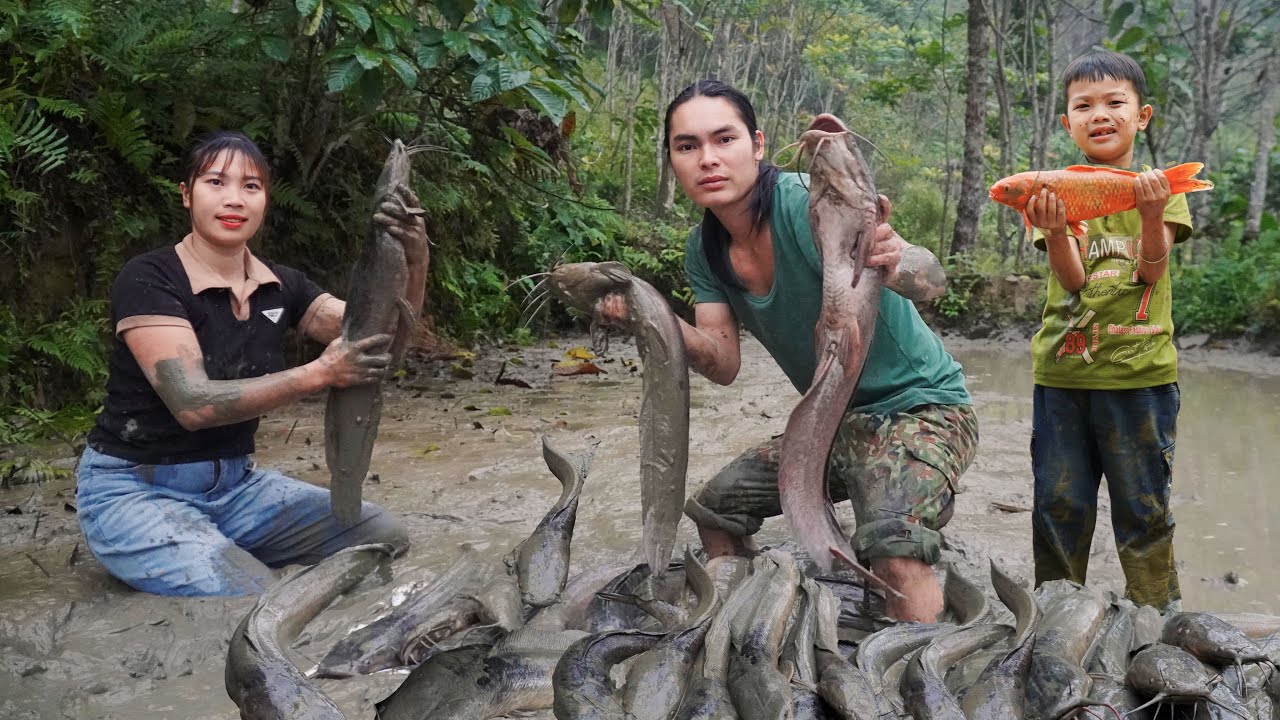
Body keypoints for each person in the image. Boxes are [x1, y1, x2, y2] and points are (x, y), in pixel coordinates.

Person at [600, 80, 976, 622]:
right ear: (672, 160)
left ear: (756, 145)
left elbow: (931, 279)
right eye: (687, 146)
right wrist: (649, 314)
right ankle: (764, 617)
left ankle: (919, 655)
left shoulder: (812, 201)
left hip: (924, 409)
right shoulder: (703, 250)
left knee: (892, 549)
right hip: (832, 421)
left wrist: (899, 258)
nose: (707, 158)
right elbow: (722, 363)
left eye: (723, 139)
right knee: (714, 511)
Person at [76, 131, 427, 597]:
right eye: (216, 182)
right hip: (138, 490)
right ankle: (153, 546)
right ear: (186, 194)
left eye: (251, 187)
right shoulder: (149, 278)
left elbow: (383, 338)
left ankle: (212, 546)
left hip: (238, 489)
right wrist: (321, 373)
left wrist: (415, 257)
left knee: (382, 536)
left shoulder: (282, 285)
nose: (233, 199)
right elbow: (192, 403)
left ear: (265, 200)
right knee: (250, 593)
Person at [1024, 50, 1191, 611]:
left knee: (1143, 507)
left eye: (1115, 102)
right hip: (1063, 377)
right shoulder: (1051, 191)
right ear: (1066, 123)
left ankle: (1157, 620)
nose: (1100, 114)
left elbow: (1150, 271)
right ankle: (1054, 613)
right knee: (1058, 504)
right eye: (1083, 106)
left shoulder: (1164, 190)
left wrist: (1149, 214)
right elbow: (1071, 282)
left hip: (1140, 379)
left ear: (1141, 116)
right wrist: (1052, 231)